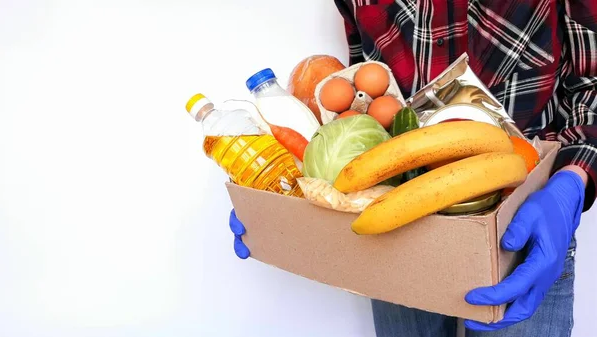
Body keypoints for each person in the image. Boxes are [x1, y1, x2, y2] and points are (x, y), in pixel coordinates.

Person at [228, 1, 597, 336]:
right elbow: (364, 90)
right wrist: (287, 194)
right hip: (396, 216)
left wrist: (570, 182)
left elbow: (592, 82)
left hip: (519, 215)